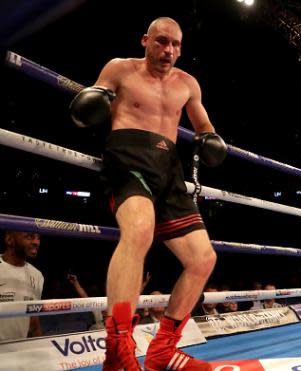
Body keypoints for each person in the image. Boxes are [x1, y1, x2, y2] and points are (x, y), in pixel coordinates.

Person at [69, 17, 227, 371]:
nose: (168, 50)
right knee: (138, 231)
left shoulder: (188, 84)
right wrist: (91, 102)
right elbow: (90, 100)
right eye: (161, 41)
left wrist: (211, 140)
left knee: (203, 259)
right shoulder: (120, 69)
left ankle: (162, 351)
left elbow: (205, 128)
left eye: (175, 44)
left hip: (169, 168)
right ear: (145, 41)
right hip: (127, 158)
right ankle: (118, 349)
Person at [0, 231, 44, 341]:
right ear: (10, 240)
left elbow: (33, 318)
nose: (36, 242)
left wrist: (39, 347)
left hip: (18, 348)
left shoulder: (37, 275)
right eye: (29, 237)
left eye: (38, 238)